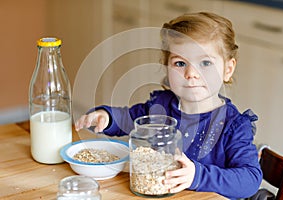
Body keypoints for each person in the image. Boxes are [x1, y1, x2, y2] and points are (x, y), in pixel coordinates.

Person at [75, 12, 262, 199]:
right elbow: (130, 118)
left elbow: (250, 179)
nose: (191, 73)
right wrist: (106, 117)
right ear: (166, 67)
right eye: (180, 63)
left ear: (227, 70)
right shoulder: (161, 106)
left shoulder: (233, 125)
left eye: (205, 63)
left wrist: (197, 176)